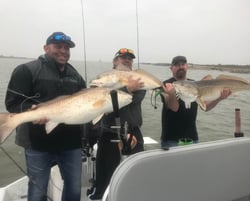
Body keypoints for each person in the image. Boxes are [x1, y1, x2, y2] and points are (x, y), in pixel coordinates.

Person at [5, 32, 86, 201]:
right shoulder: (26, 70)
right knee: (37, 190)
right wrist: (32, 109)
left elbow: (83, 105)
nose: (63, 51)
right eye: (58, 47)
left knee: (74, 188)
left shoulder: (76, 76)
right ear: (46, 48)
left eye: (67, 48)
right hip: (37, 143)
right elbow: (13, 103)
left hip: (70, 144)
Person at [90, 48, 146, 200]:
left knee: (136, 171)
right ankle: (100, 196)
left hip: (134, 131)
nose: (127, 60)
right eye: (123, 57)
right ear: (115, 62)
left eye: (130, 58)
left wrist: (117, 92)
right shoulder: (104, 78)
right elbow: (96, 97)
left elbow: (133, 99)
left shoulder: (139, 79)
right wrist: (127, 88)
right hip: (109, 132)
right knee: (106, 173)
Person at [161, 55, 231, 148]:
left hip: (193, 139)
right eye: (177, 65)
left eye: (183, 64)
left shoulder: (195, 84)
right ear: (171, 68)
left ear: (187, 66)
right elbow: (174, 108)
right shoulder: (166, 85)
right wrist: (172, 94)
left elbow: (205, 107)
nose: (181, 67)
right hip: (171, 141)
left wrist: (219, 98)